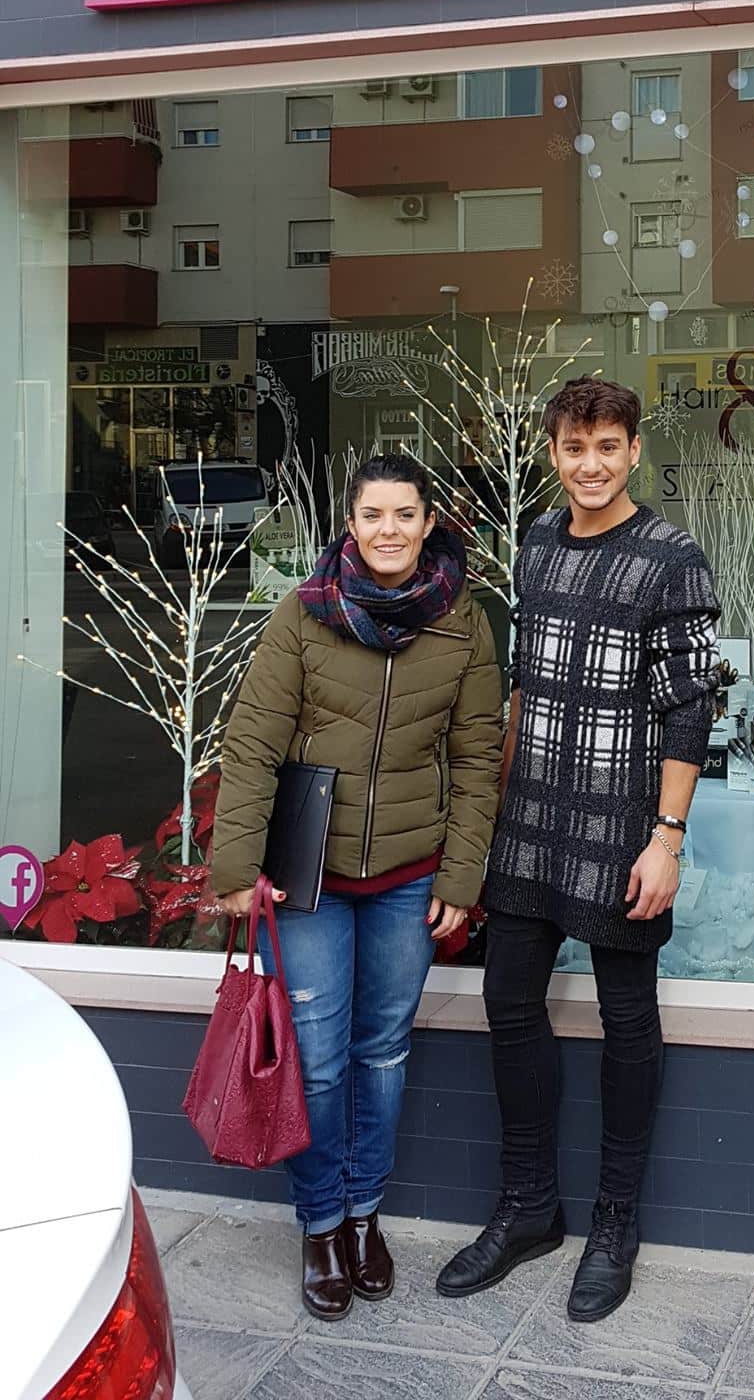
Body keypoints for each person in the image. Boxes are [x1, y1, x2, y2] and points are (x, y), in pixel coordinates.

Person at [437, 377, 719, 1323]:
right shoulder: (539, 543)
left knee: (626, 1017)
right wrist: (491, 812)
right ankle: (527, 1209)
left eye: (607, 447)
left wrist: (666, 839)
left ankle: (614, 1222)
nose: (589, 465)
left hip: (621, 825)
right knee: (508, 1001)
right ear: (551, 453)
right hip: (531, 820)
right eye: (573, 448)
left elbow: (691, 706)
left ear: (633, 451)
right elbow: (524, 686)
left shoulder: (671, 554)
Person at [210, 454, 502, 1322]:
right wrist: (236, 866)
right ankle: (321, 1222)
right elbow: (254, 740)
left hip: (410, 881)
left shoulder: (463, 625)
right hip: (311, 881)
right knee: (321, 1057)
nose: (388, 531)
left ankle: (366, 1213)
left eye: (404, 515)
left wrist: (462, 873)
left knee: (382, 1054)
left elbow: (477, 756)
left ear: (427, 523)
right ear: (351, 521)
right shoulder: (302, 617)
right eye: (372, 514)